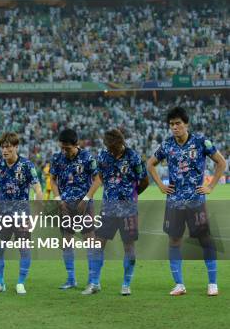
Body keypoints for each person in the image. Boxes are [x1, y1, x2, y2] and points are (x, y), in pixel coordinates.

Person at [146, 107, 226, 296]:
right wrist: (160, 185)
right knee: (174, 241)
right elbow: (150, 164)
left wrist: (211, 186)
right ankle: (179, 284)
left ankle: (212, 283)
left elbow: (221, 162)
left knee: (205, 239)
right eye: (171, 124)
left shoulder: (200, 141)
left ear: (186, 124)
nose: (174, 127)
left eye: (178, 124)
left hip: (196, 201)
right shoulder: (167, 145)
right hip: (174, 202)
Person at [82, 129, 148, 296]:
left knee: (129, 246)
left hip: (128, 210)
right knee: (98, 244)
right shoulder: (104, 156)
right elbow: (101, 176)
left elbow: (144, 181)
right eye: (108, 147)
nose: (111, 150)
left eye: (114, 147)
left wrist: (132, 195)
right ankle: (95, 283)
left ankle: (126, 284)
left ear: (121, 143)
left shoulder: (133, 157)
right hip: (108, 209)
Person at [0, 133, 43, 295]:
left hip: (22, 216)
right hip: (3, 216)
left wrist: (35, 216)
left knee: (24, 249)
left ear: (16, 147)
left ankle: (21, 283)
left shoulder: (27, 165)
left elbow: (38, 189)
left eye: (8, 146)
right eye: (3, 147)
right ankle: (0, 283)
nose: (5, 150)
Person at [50, 129, 98, 290]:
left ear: (76, 145)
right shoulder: (57, 158)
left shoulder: (87, 157)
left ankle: (92, 280)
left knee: (89, 240)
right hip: (65, 205)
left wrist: (86, 199)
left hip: (84, 205)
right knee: (66, 241)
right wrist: (58, 200)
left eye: (68, 148)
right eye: (62, 148)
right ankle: (71, 279)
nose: (64, 151)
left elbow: (98, 179)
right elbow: (53, 180)